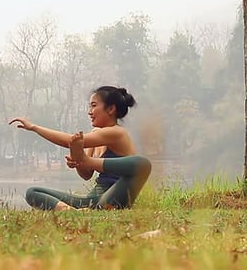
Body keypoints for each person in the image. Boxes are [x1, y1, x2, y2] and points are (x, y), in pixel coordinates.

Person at [9, 86, 151, 210]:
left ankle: (95, 207)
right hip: (92, 200)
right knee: (32, 191)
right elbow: (86, 174)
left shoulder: (117, 133)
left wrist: (34, 127)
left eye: (94, 106)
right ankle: (69, 211)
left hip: (113, 199)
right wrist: (79, 162)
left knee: (142, 164)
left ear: (111, 109)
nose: (89, 112)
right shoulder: (95, 135)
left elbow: (68, 141)